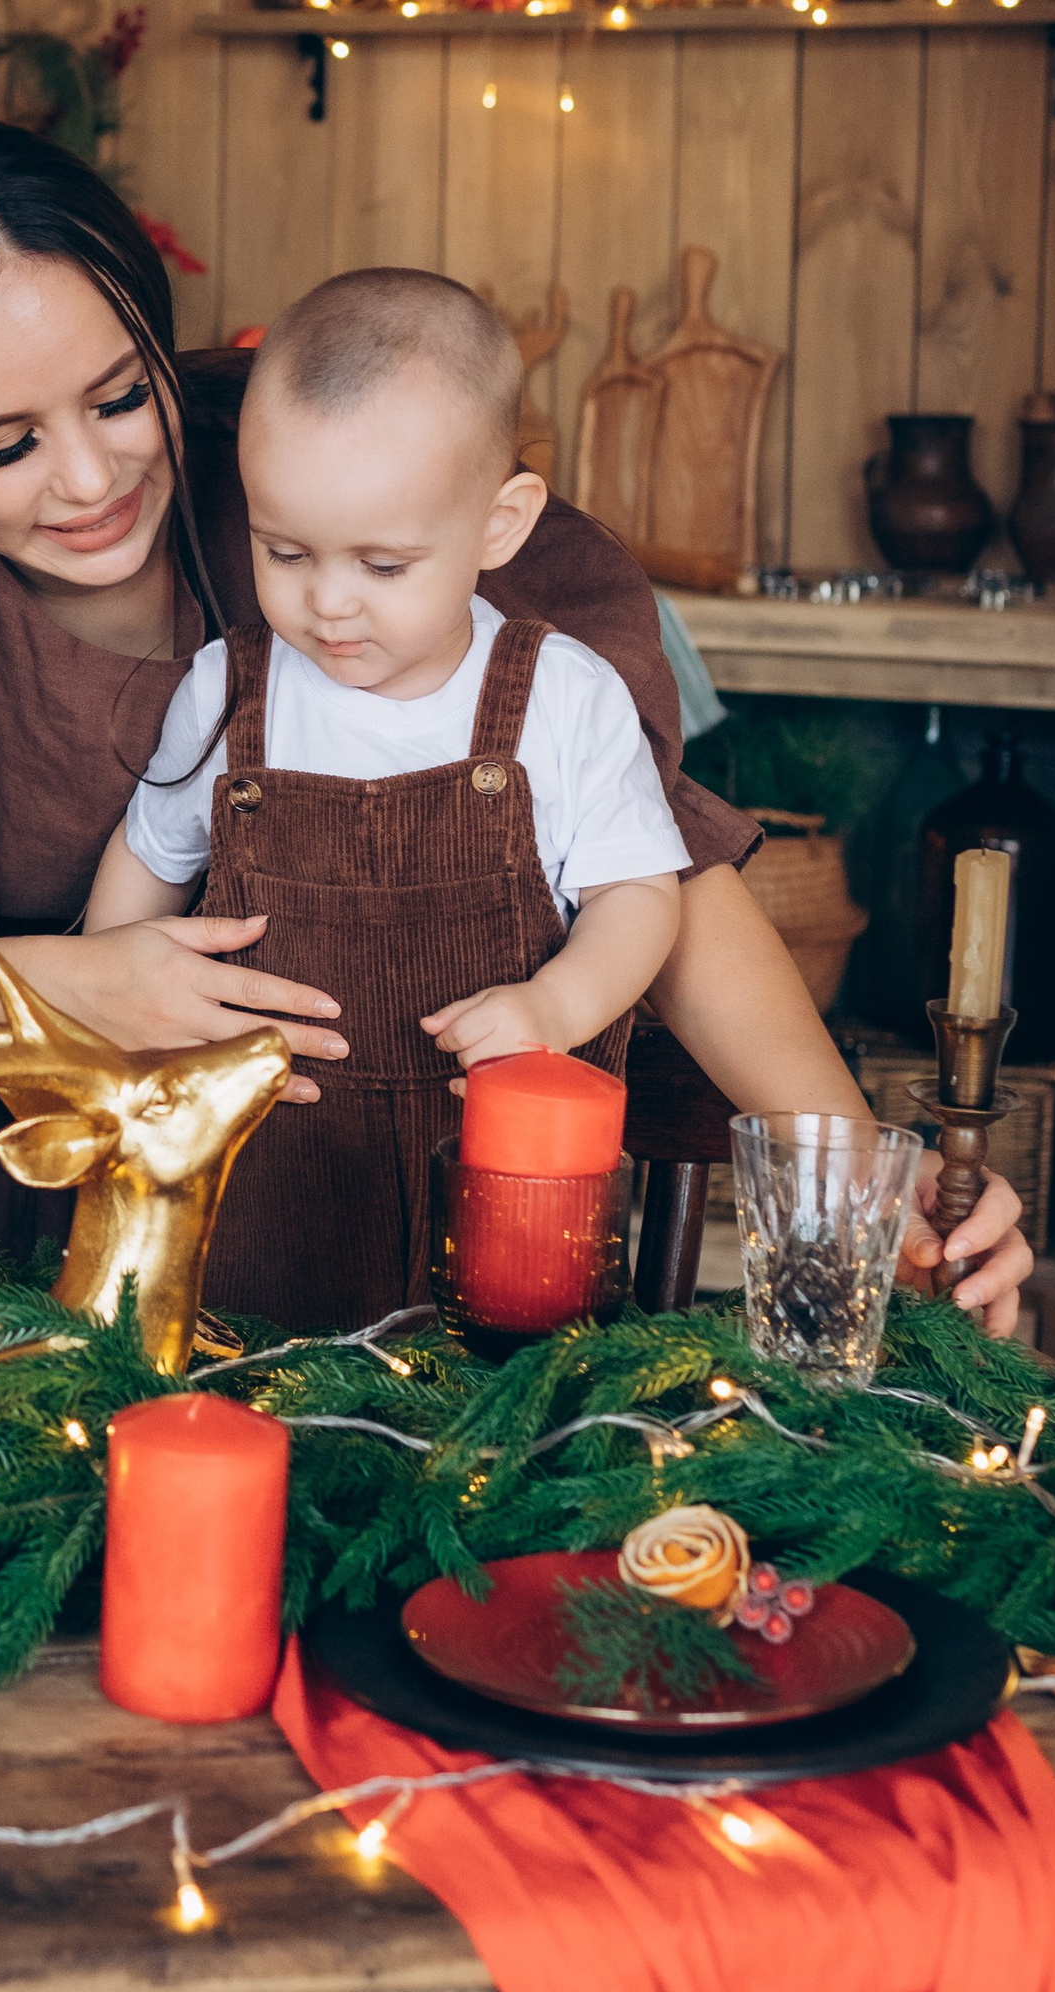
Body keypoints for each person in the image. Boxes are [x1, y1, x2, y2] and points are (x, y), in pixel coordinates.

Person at [0, 120, 1028, 1331]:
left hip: (433, 1218)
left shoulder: (337, 483)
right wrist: (78, 978)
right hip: (23, 1233)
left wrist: (853, 1171)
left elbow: (654, 866)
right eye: (6, 445)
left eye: (119, 396)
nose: (93, 478)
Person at [86, 268, 688, 1328]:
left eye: (383, 562)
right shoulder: (230, 688)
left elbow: (641, 894)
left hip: (499, 1185)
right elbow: (145, 858)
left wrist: (557, 1006)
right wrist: (109, 1012)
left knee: (501, 1425)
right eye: (285, 551)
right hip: (260, 1184)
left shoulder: (560, 694)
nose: (326, 601)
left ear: (498, 525)